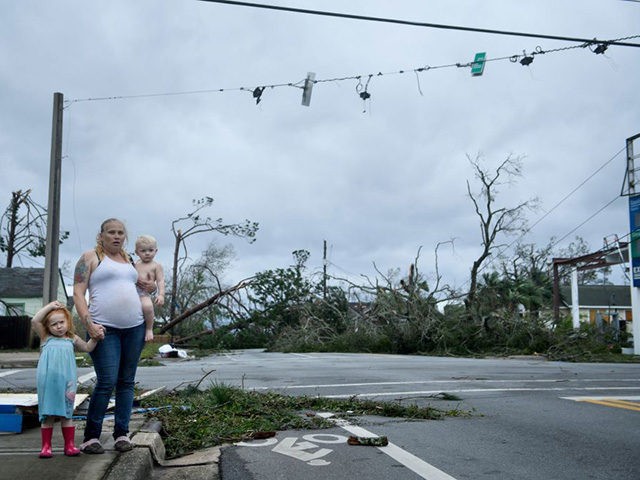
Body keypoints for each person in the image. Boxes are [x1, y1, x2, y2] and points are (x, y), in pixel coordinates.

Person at [73, 218, 153, 454]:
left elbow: (139, 287)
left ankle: (122, 434)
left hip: (135, 327)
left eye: (120, 233)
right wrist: (89, 324)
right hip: (104, 329)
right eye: (111, 232)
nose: (116, 236)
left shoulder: (129, 260)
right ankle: (91, 437)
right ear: (102, 235)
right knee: (107, 381)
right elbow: (78, 293)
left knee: (126, 382)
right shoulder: (90, 257)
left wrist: (151, 288)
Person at [31, 301, 98, 458]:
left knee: (67, 414)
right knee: (47, 415)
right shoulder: (45, 337)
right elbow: (35, 320)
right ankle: (46, 447)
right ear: (48, 327)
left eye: (61, 322)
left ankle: (69, 445)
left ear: (68, 322)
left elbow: (88, 347)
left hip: (67, 382)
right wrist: (50, 307)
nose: (59, 326)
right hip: (47, 382)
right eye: (54, 324)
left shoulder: (72, 339)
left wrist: (95, 338)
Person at [134, 235, 165, 342]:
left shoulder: (156, 266)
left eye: (150, 250)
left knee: (147, 306)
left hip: (143, 293)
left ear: (156, 251)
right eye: (143, 251)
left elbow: (160, 281)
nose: (147, 253)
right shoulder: (135, 264)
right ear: (137, 252)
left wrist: (161, 295)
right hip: (131, 293)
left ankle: (149, 329)